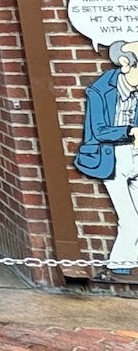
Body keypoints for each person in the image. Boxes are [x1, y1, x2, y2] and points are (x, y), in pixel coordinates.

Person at [74, 38, 138, 275]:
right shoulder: (100, 91)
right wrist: (130, 132)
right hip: (111, 158)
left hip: (135, 154)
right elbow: (99, 130)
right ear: (125, 64)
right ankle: (120, 265)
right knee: (129, 219)